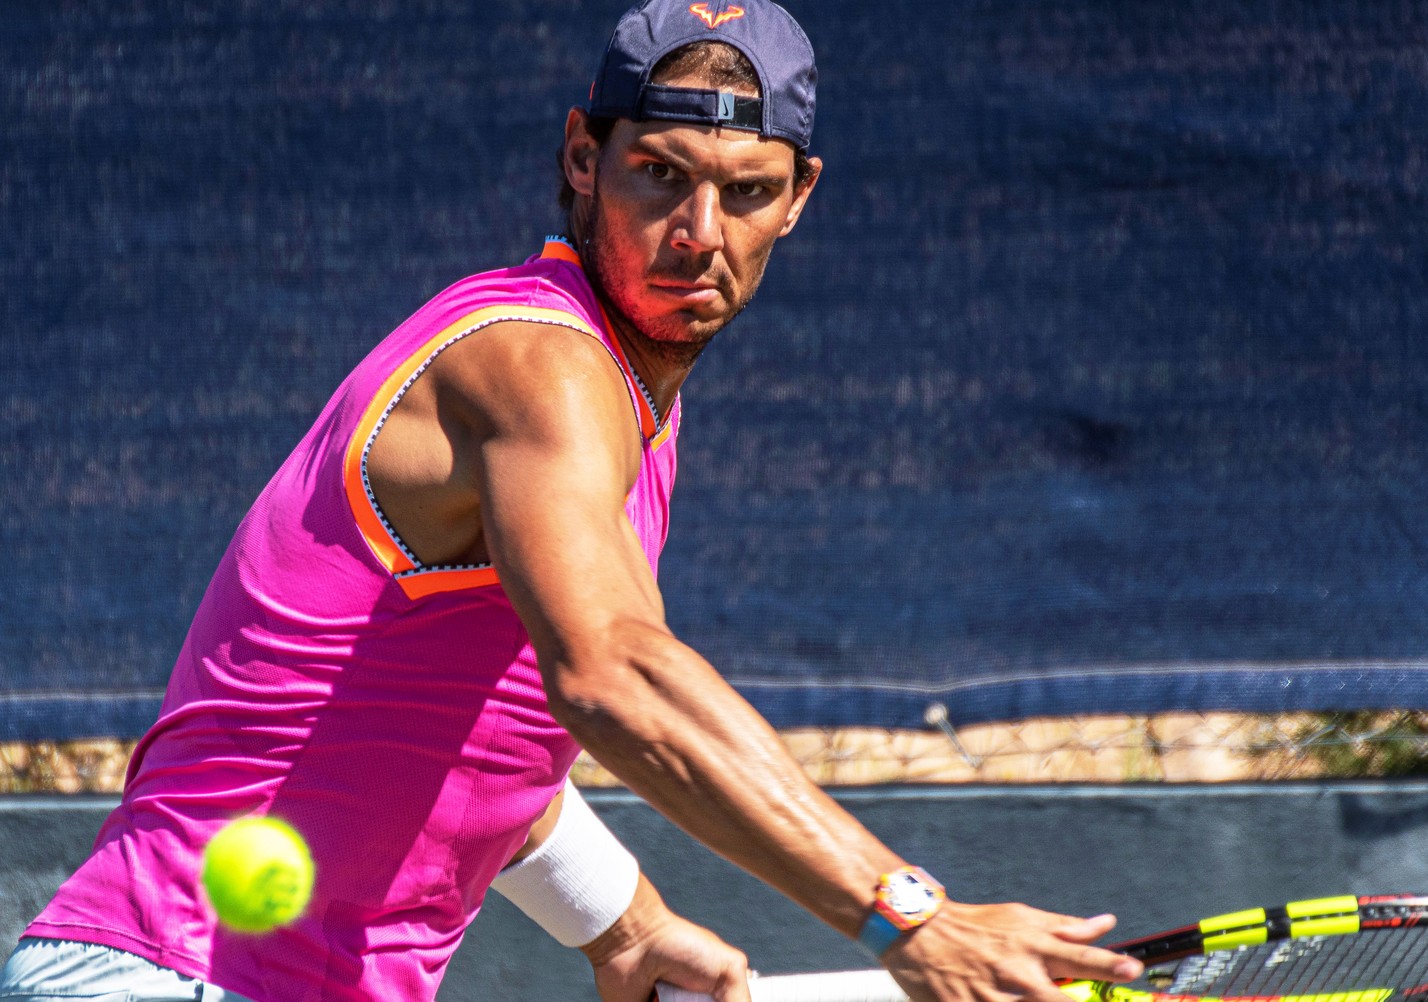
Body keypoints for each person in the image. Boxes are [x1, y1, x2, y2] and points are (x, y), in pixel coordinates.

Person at [1, 2, 1145, 1000]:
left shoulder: (631, 402)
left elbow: (456, 741)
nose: (698, 234)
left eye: (745, 192)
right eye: (661, 173)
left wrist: (628, 925)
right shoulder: (538, 361)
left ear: (797, 200)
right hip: (178, 970)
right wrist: (912, 916)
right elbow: (615, 676)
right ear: (583, 156)